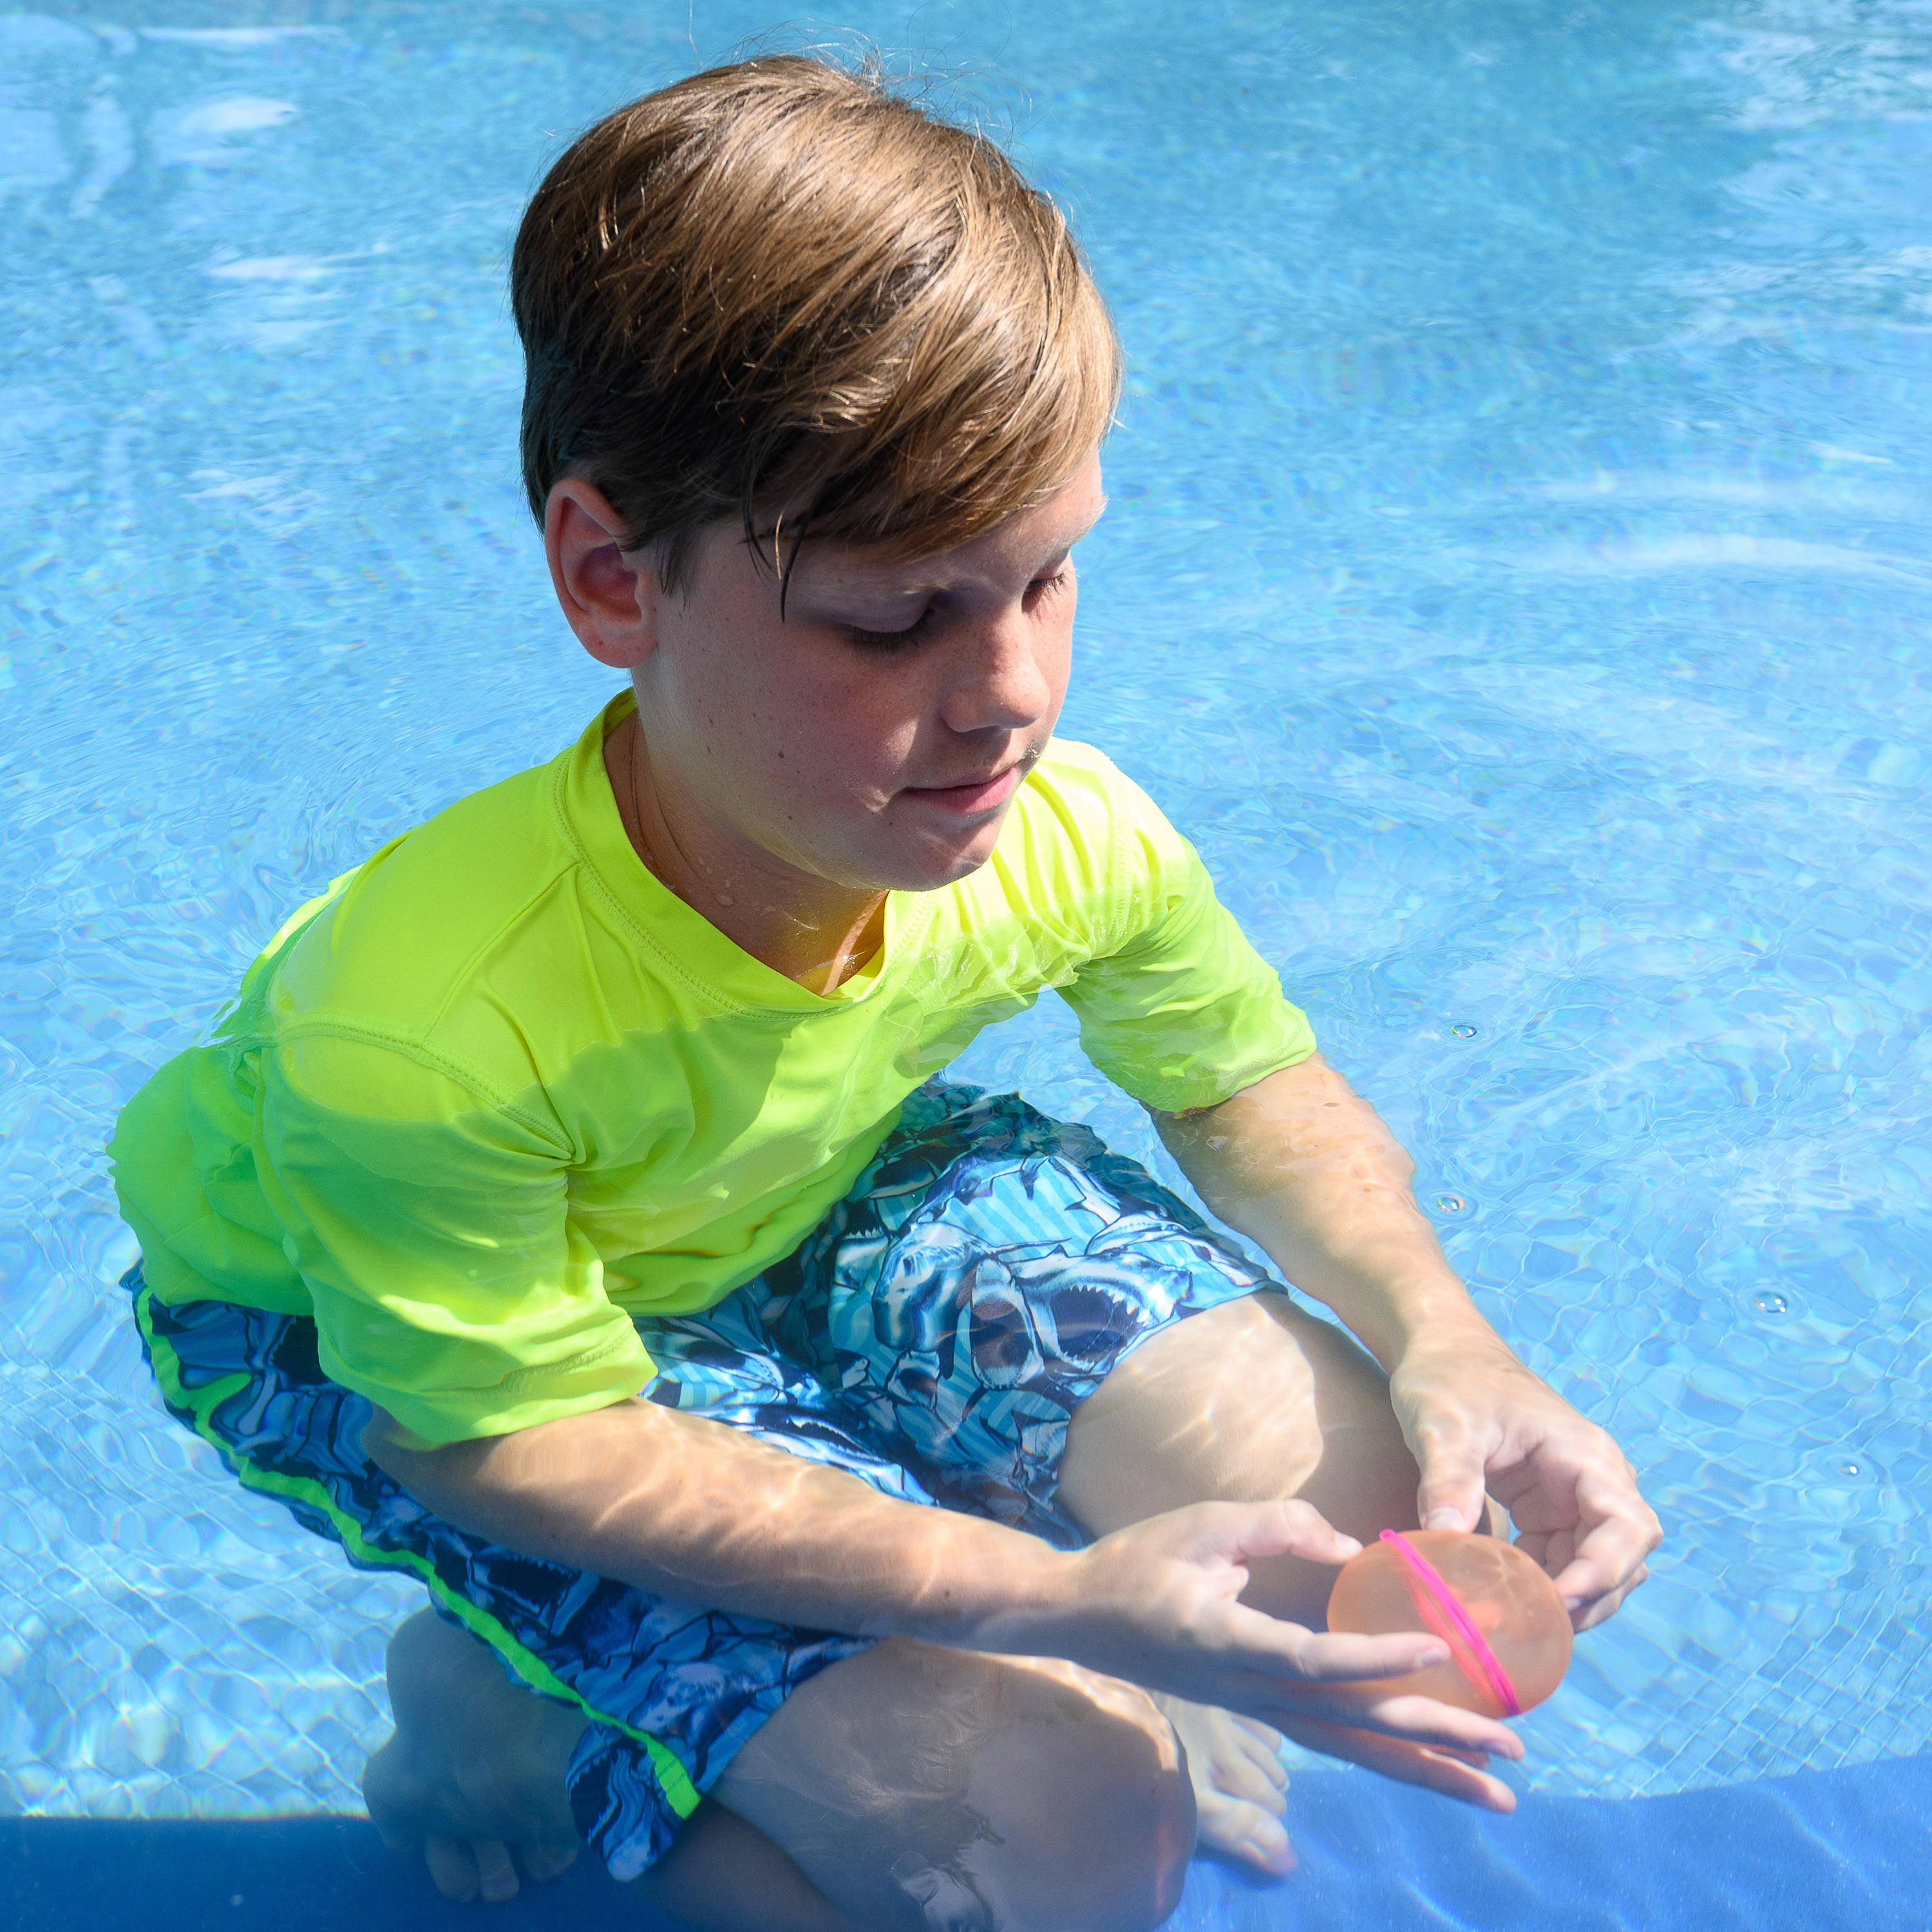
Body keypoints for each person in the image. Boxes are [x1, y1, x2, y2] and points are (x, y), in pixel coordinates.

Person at [109, 53, 1660, 1932]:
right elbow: (507, 1438)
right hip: (413, 1348)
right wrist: (1052, 1602)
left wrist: (1447, 1340)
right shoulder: (422, 1030)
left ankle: (844, 1644)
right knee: (1073, 1836)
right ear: (614, 578)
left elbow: (1248, 1088)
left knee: (1372, 1540)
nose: (1011, 688)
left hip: (809, 1173)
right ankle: (504, 1699)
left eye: (1047, 576)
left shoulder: (1043, 828)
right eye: (898, 613)